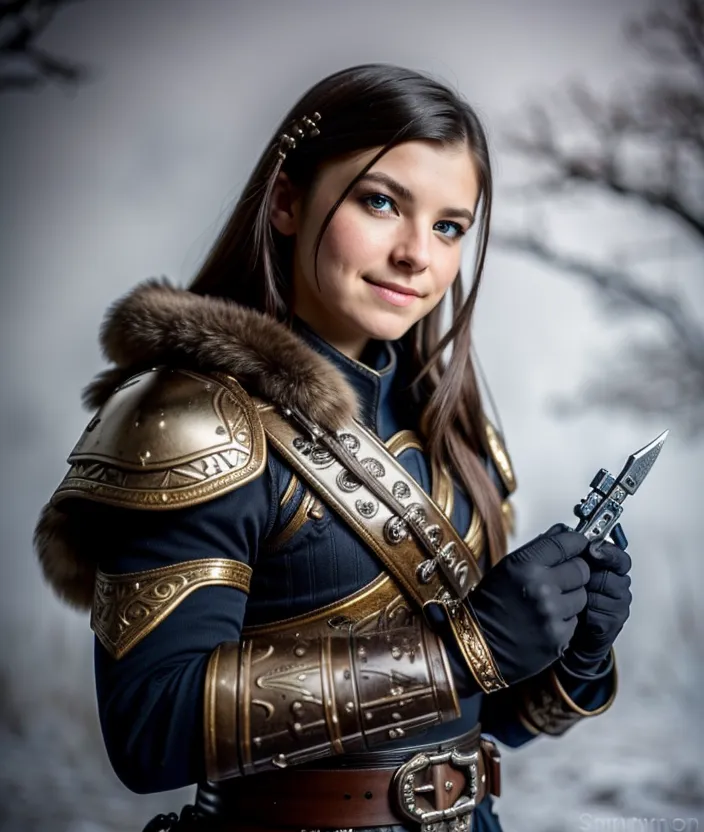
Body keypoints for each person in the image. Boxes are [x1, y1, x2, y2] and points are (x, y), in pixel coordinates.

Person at [34, 64, 632, 832]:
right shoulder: (192, 424)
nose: (419, 254)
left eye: (450, 225)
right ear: (287, 200)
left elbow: (487, 722)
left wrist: (570, 651)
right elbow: (149, 729)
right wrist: (460, 652)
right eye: (382, 202)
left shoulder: (453, 429)